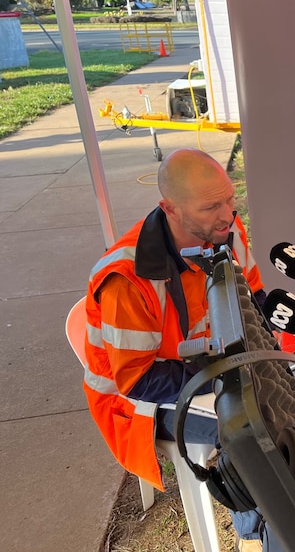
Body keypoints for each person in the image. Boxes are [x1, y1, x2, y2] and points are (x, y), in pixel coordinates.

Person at [82, 148, 271, 551]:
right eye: (210, 207)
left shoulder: (223, 230)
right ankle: (255, 540)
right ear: (169, 208)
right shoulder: (127, 278)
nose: (227, 214)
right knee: (249, 432)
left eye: (229, 199)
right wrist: (226, 372)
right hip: (136, 406)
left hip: (207, 366)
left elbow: (253, 300)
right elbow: (136, 380)